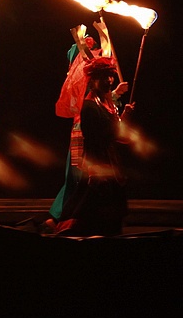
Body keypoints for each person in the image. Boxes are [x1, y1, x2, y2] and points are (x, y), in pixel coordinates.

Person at [47, 18, 127, 229]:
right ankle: (61, 219)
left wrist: (116, 97)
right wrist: (116, 95)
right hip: (85, 132)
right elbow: (91, 105)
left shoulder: (90, 73)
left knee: (80, 180)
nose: (94, 48)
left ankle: (61, 218)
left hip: (92, 131)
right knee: (79, 179)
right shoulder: (82, 75)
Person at [53, 56, 134, 236]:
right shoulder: (89, 107)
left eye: (111, 76)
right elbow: (106, 135)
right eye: (105, 77)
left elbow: (119, 134)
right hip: (97, 165)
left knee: (112, 213)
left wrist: (125, 115)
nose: (110, 80)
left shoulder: (107, 106)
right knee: (92, 212)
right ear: (94, 79)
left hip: (111, 164)